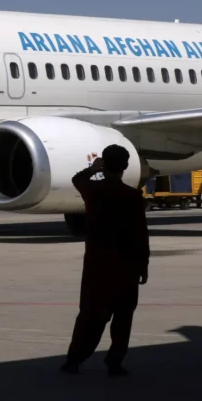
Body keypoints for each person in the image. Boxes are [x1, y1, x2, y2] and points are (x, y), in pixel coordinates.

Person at [61, 145, 149, 377]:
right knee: (122, 317)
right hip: (126, 266)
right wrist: (144, 265)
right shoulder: (132, 196)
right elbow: (140, 234)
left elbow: (76, 178)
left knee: (90, 315)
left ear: (105, 164)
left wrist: (94, 168)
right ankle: (115, 362)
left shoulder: (94, 191)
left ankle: (74, 359)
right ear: (126, 166)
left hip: (97, 265)